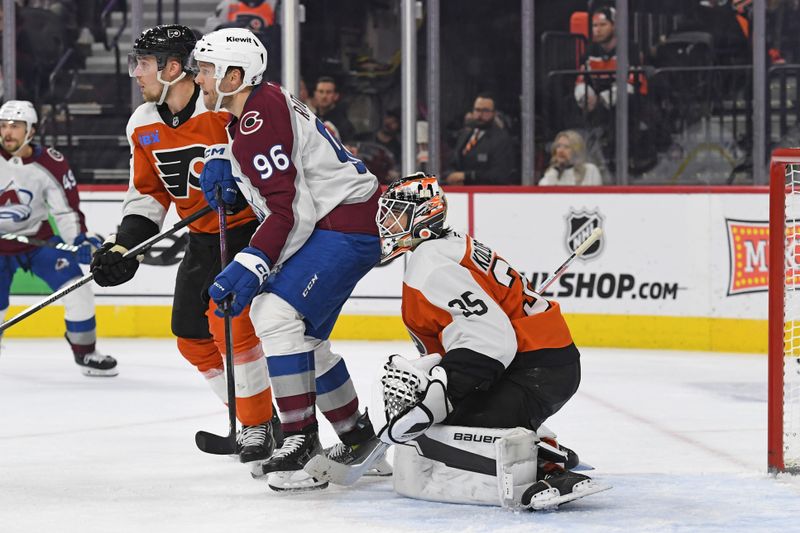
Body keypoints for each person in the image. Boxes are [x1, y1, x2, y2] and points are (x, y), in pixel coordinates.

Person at [192, 27, 388, 491]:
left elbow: (290, 210)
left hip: (342, 225)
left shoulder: (258, 119)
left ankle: (300, 443)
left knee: (274, 314)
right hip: (339, 221)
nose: (199, 79)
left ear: (234, 75)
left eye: (205, 70)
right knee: (303, 338)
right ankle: (359, 440)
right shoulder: (256, 107)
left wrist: (251, 261)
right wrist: (225, 157)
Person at [89, 25, 278, 465]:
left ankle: (257, 426)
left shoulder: (223, 109)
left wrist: (244, 185)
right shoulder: (143, 122)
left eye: (144, 63)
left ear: (174, 68)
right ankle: (260, 417)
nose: (136, 73)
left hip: (253, 232)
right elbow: (148, 193)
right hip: (203, 238)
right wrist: (124, 247)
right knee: (191, 335)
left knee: (229, 321)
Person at [368, 174, 606, 510]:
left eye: (395, 214)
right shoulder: (450, 244)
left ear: (422, 217)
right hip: (544, 361)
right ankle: (542, 447)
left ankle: (540, 465)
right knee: (452, 416)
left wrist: (442, 392)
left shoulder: (430, 264)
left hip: (532, 367)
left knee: (445, 430)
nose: (386, 223)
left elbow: (492, 338)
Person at [0, 100, 117, 377]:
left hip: (36, 242)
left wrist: (78, 240)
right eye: (3, 126)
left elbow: (65, 211)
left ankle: (85, 352)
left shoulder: (50, 163)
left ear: (31, 131)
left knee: (76, 287)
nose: (7, 132)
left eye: (15, 126)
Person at [444, 93, 514, 186]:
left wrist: (466, 176)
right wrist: (450, 176)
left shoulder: (501, 139)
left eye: (485, 111)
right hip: (460, 193)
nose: (480, 115)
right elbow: (453, 162)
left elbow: (499, 175)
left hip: (485, 194)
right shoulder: (465, 134)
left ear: (494, 113)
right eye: (477, 110)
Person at [313, 76, 356, 143]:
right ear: (315, 94)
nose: (324, 96)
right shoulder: (311, 119)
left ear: (336, 96)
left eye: (328, 92)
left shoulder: (344, 125)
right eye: (321, 92)